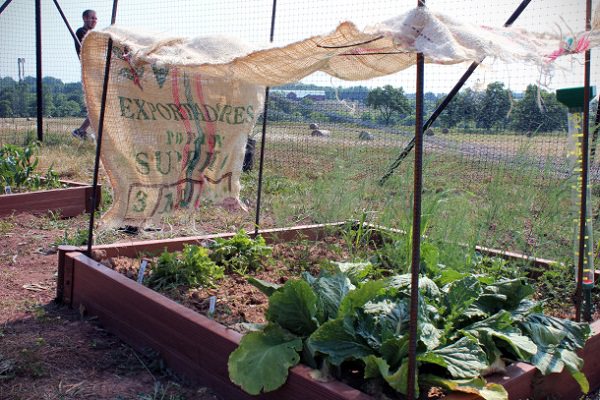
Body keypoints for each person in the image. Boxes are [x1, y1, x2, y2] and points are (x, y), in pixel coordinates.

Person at [72, 9, 97, 140]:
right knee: (97, 104)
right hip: (90, 72)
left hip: (96, 71)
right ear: (84, 18)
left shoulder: (94, 34)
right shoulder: (81, 33)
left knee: (99, 104)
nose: (94, 21)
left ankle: (82, 130)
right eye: (92, 18)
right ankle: (82, 131)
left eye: (96, 18)